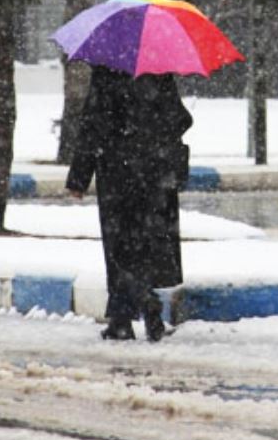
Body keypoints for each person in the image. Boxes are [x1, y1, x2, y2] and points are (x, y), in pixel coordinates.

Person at [66, 65, 193, 342]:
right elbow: (181, 119)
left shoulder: (106, 72)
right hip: (156, 173)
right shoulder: (159, 70)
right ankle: (149, 313)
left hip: (117, 173)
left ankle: (124, 317)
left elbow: (91, 126)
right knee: (147, 242)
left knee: (120, 246)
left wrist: (78, 178)